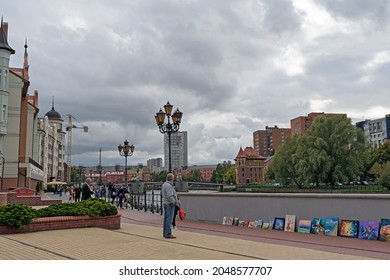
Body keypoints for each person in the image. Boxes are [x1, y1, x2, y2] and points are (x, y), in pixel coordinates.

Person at [161, 173, 180, 239]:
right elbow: (170, 195)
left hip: (166, 203)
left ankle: (165, 233)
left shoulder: (164, 185)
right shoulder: (169, 186)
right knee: (169, 220)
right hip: (170, 204)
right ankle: (168, 233)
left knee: (166, 219)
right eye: (173, 178)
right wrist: (174, 201)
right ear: (171, 179)